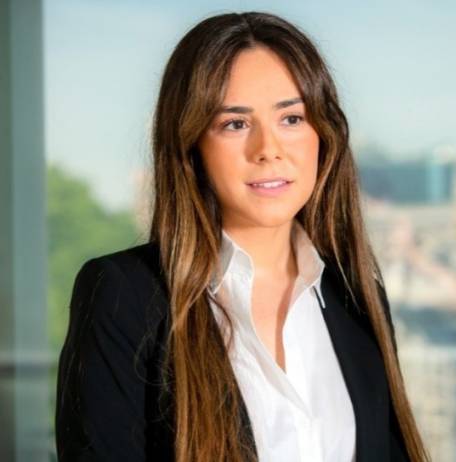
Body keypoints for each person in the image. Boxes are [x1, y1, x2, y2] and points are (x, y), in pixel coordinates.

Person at [55, 11, 429, 462]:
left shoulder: (355, 295)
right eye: (235, 124)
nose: (268, 149)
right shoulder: (123, 295)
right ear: (193, 144)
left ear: (323, 134)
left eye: (292, 118)